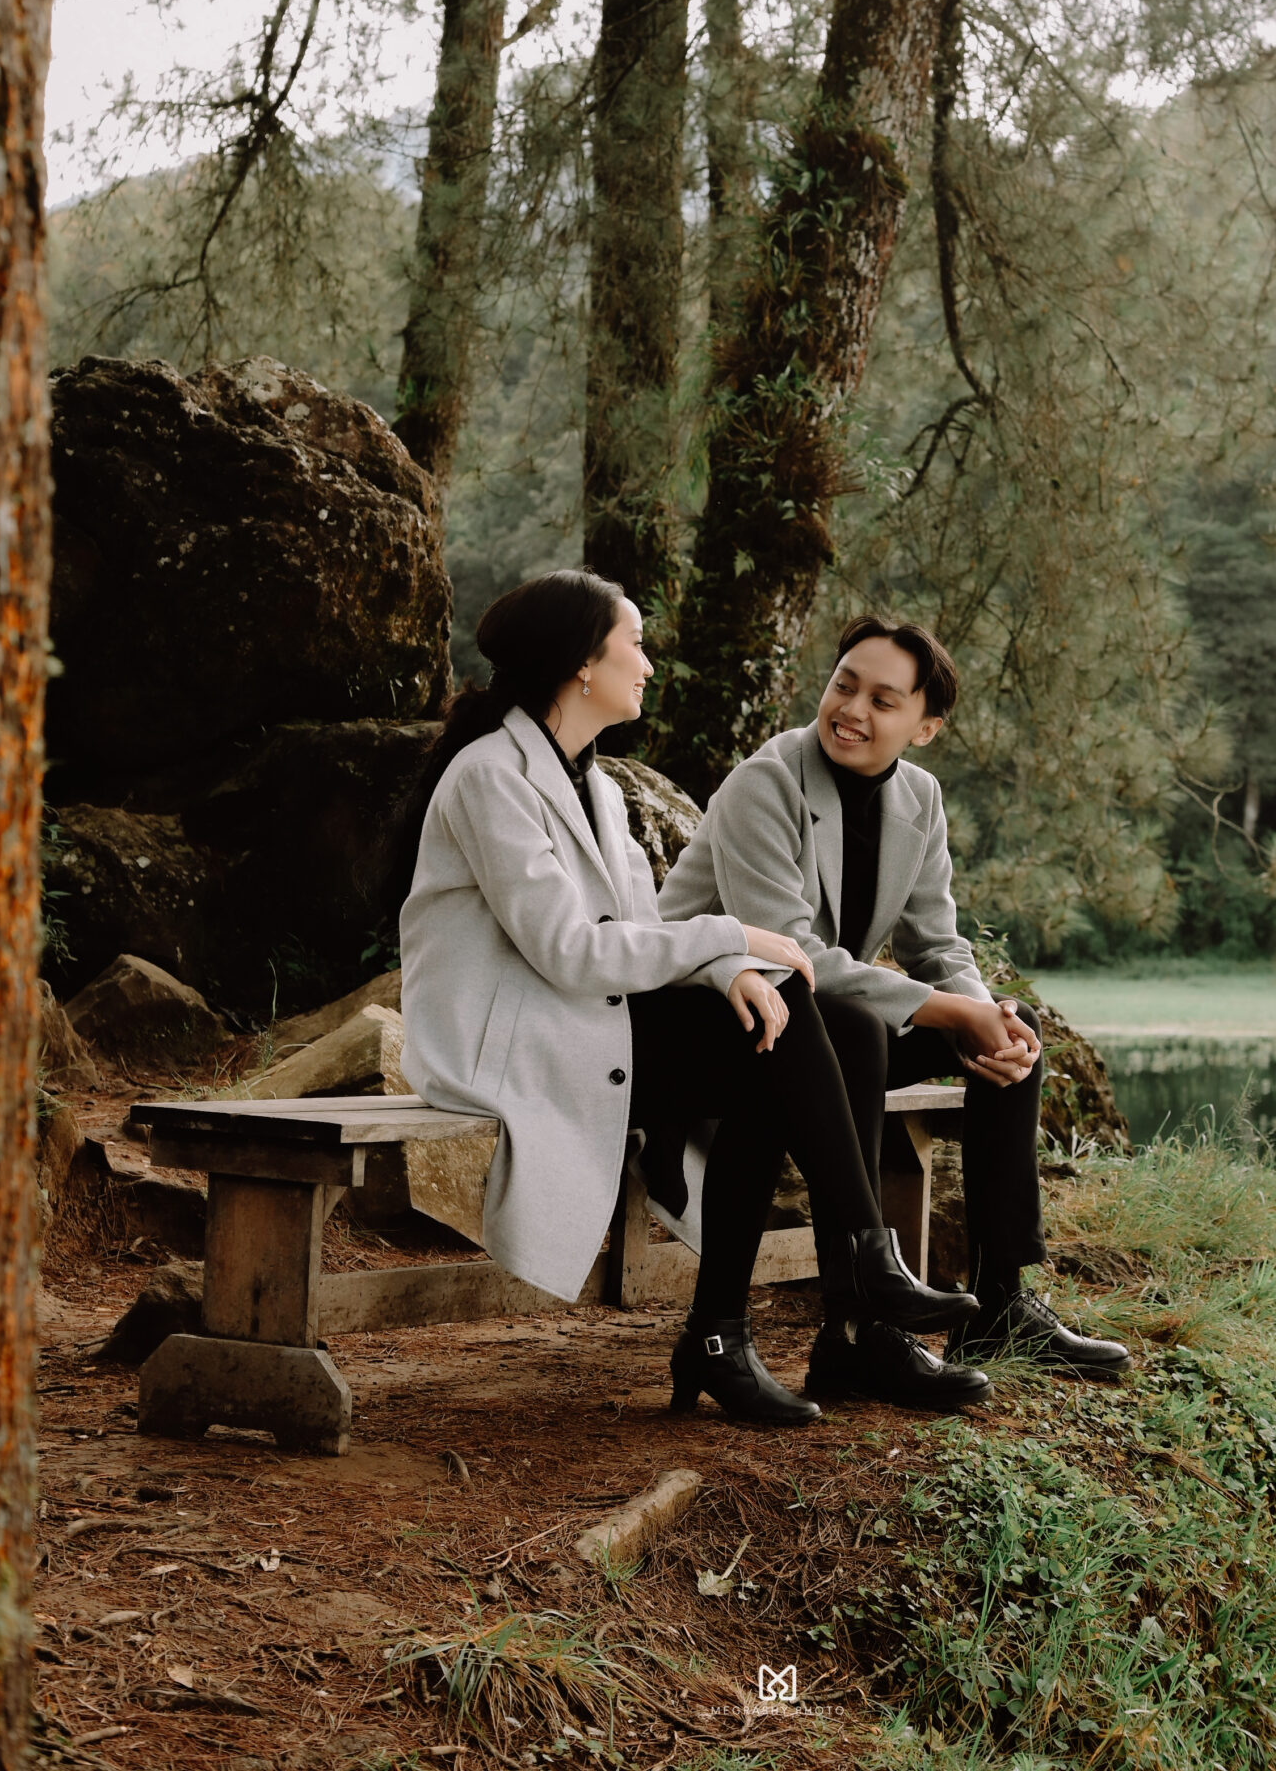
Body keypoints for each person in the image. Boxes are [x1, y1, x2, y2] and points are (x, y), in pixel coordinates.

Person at [389, 570, 976, 1428]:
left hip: (584, 1022)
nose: (649, 664)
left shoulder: (596, 786)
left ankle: (740, 1328)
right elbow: (571, 949)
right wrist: (732, 938)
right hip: (509, 1044)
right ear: (581, 666)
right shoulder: (490, 778)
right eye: (634, 644)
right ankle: (852, 1269)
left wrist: (729, 971)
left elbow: (642, 931)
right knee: (778, 1036)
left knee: (803, 1021)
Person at [658, 614, 1131, 1408]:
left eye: (882, 700)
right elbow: (789, 953)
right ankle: (859, 1328)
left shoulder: (919, 797)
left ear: (925, 726)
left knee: (1011, 1035)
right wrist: (944, 1011)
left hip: (816, 1020)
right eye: (843, 685)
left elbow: (936, 943)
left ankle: (999, 1305)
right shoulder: (764, 782)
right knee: (852, 1029)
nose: (851, 709)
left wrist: (980, 1014)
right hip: (706, 1016)